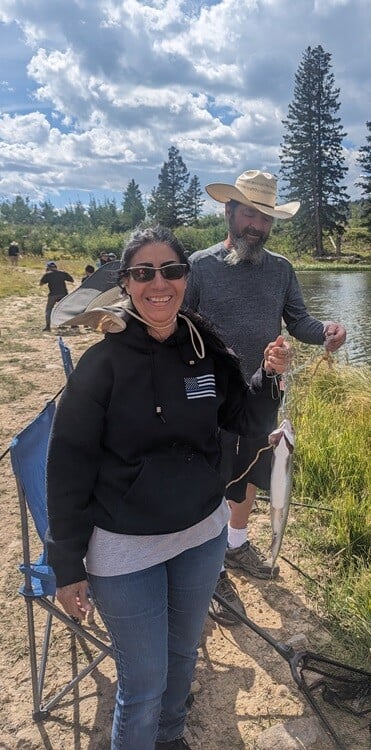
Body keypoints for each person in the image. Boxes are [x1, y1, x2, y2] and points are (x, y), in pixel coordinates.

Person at [45, 225, 290, 750]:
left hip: (201, 533)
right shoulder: (101, 365)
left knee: (182, 655)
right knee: (144, 680)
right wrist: (66, 565)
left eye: (171, 270)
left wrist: (269, 378)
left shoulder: (205, 348)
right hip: (124, 546)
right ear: (126, 283)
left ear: (186, 276)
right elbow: (67, 469)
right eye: (143, 273)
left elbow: (244, 419)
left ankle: (172, 736)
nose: (160, 283)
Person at [183, 170, 347, 626]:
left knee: (253, 464)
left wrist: (328, 333)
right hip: (210, 392)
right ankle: (211, 567)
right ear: (230, 212)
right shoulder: (199, 266)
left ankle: (236, 544)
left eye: (266, 218)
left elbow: (300, 322)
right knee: (211, 474)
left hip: (265, 387)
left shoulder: (281, 270)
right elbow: (180, 328)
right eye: (249, 214)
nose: (257, 225)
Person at [39, 261, 74, 331]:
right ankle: (72, 324)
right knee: (66, 309)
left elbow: (41, 284)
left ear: (48, 268)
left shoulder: (48, 275)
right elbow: (71, 280)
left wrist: (46, 274)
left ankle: (48, 326)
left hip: (53, 294)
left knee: (48, 310)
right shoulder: (62, 273)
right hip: (63, 293)